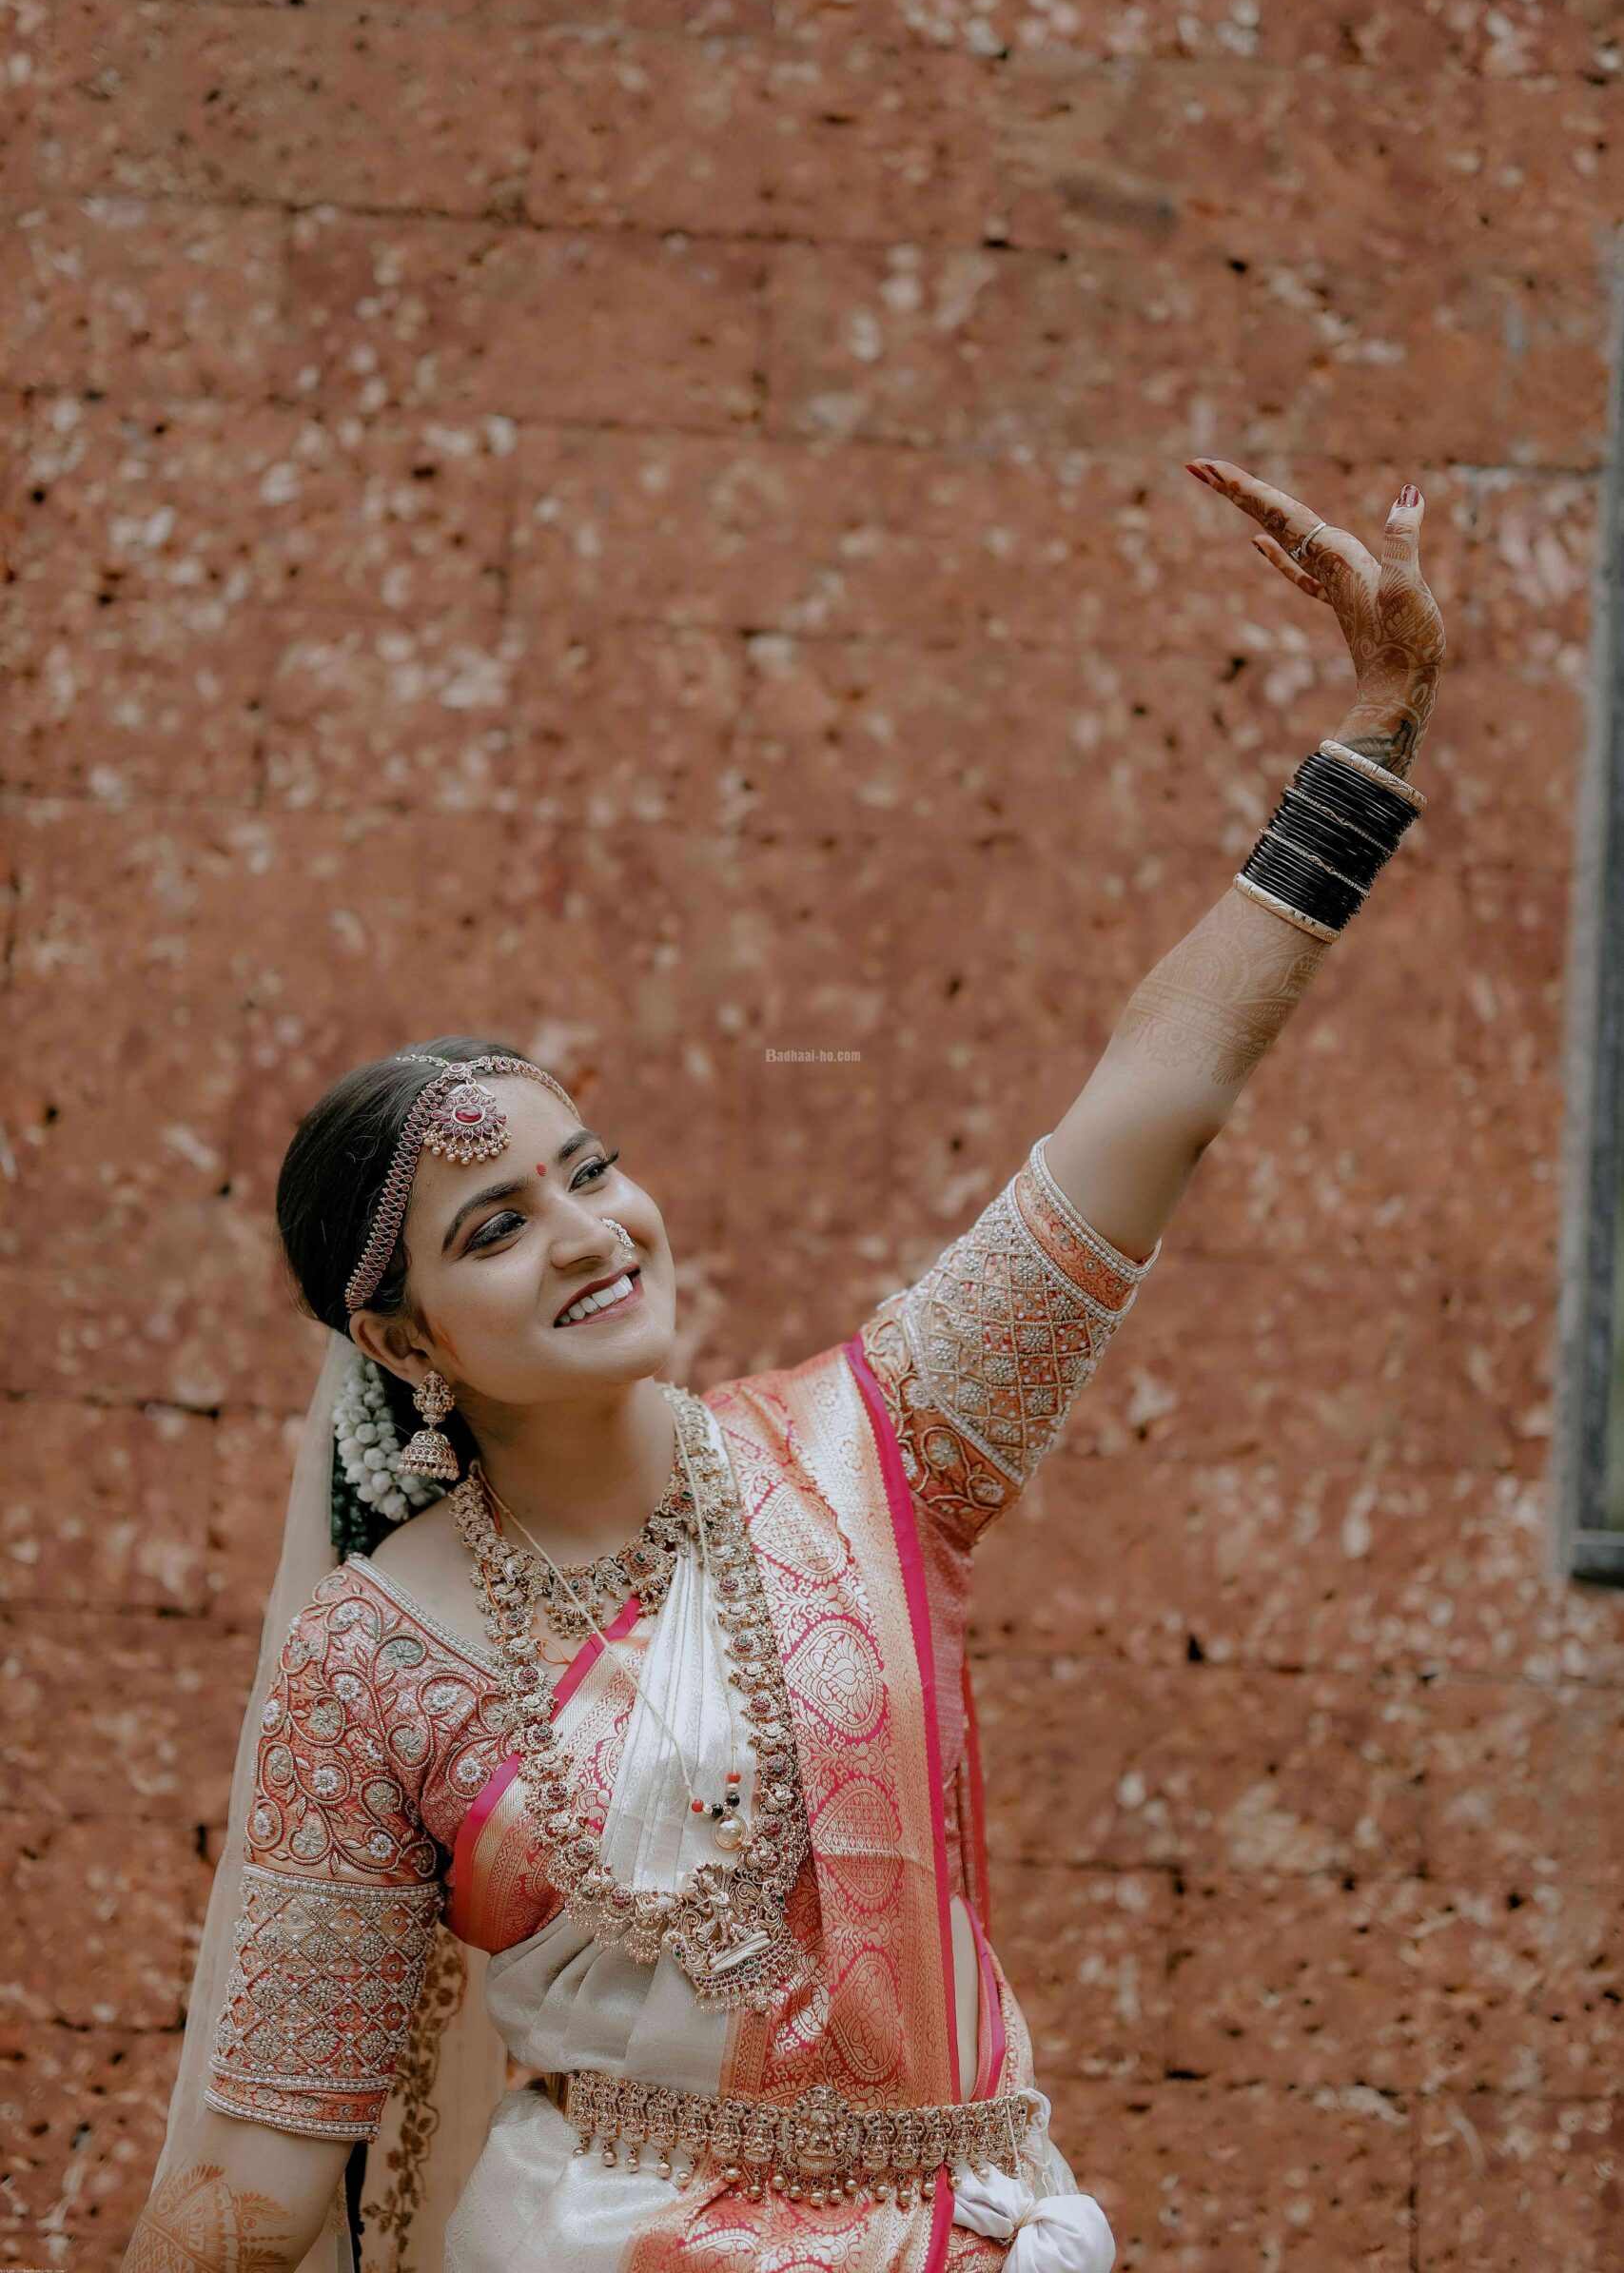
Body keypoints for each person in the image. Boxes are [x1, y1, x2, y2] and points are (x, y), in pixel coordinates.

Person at [120, 461, 1444, 2273]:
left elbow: (1159, 1098)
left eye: (588, 1171)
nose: (588, 1231)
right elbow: (260, 2191)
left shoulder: (882, 1446)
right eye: (493, 1226)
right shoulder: (375, 1664)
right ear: (403, 1343)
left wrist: (1369, 745)